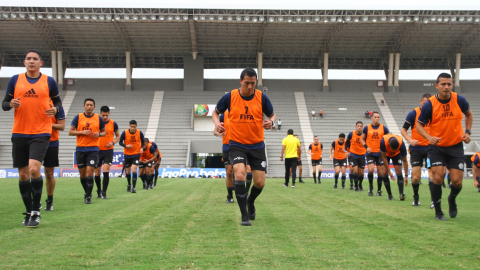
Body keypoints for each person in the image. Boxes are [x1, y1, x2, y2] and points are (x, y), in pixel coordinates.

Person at [2, 49, 62, 227]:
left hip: (41, 132)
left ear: (41, 63)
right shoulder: (15, 79)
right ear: (24, 62)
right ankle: (28, 211)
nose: (31, 61)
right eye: (28, 58)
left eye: (35, 59)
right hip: (19, 132)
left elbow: (57, 102)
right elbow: (4, 104)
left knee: (35, 169)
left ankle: (36, 211)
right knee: (22, 174)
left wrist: (56, 110)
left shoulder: (48, 81)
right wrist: (10, 103)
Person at [213, 67, 275, 226]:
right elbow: (215, 112)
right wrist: (217, 124)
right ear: (240, 81)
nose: (249, 87)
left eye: (253, 84)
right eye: (247, 83)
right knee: (239, 174)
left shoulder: (261, 97)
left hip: (257, 145)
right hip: (237, 144)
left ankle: (250, 201)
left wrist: (271, 122)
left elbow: (272, 115)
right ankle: (244, 216)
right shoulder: (230, 97)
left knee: (260, 183)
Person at [417, 73, 472, 221]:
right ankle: (438, 212)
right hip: (436, 147)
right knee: (437, 178)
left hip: (455, 146)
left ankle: (452, 199)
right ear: (437, 86)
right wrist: (429, 138)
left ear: (452, 85)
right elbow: (419, 125)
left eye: (449, 84)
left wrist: (467, 132)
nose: (446, 87)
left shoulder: (459, 100)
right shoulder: (430, 104)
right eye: (443, 84)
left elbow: (469, 114)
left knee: (457, 181)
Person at [69, 98, 106, 204]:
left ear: (94, 107)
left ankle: (88, 196)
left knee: (90, 171)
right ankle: (87, 192)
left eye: (91, 105)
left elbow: (104, 132)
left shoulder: (98, 118)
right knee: (82, 174)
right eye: (87, 105)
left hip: (93, 149)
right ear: (84, 106)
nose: (89, 106)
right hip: (80, 149)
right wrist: (82, 132)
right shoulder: (78, 117)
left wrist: (98, 134)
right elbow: (70, 132)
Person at [401, 93, 432, 206]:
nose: (426, 106)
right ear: (420, 101)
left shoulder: (434, 113)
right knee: (416, 177)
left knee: (432, 174)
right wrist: (410, 140)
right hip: (416, 149)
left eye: (428, 103)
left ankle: (434, 201)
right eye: (424, 103)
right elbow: (403, 130)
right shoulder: (413, 113)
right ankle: (416, 198)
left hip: (430, 148)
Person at [361, 112, 390, 197]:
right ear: (371, 118)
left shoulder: (384, 128)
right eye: (375, 117)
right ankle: (370, 187)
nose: (377, 118)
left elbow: (388, 139)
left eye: (378, 117)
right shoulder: (367, 128)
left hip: (381, 153)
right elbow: (362, 140)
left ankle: (379, 190)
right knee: (370, 170)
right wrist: (366, 147)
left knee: (380, 172)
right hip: (370, 152)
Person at [43, 101, 65, 211]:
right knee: (33, 170)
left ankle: (49, 200)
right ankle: (36, 200)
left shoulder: (57, 106)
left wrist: (48, 125)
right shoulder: (35, 100)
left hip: (51, 142)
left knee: (49, 173)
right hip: (34, 139)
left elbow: (62, 126)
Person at [94, 106, 120, 199]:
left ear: (109, 113)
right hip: (97, 151)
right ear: (100, 113)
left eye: (106, 115)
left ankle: (104, 192)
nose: (105, 117)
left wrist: (113, 142)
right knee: (97, 173)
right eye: (103, 115)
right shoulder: (96, 122)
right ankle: (99, 190)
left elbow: (118, 136)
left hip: (108, 151)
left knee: (106, 171)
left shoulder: (113, 123)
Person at [380, 134, 408, 201]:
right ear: (389, 144)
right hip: (386, 154)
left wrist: (406, 176)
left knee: (399, 171)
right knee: (384, 172)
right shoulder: (383, 141)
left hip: (397, 155)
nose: (393, 150)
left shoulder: (401, 143)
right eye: (393, 149)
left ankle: (401, 194)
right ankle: (390, 195)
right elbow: (384, 159)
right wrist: (390, 172)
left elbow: (405, 161)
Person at [119, 120, 145, 193]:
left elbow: (143, 141)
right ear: (129, 126)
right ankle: (129, 184)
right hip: (127, 154)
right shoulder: (125, 132)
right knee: (128, 171)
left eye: (134, 127)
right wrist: (125, 146)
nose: (133, 128)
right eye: (131, 126)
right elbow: (120, 142)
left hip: (136, 154)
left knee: (134, 170)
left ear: (136, 126)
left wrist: (142, 148)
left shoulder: (139, 132)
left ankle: (134, 187)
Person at [215, 111, 235, 203]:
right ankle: (230, 196)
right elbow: (215, 130)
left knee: (239, 171)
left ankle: (242, 194)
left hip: (239, 146)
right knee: (229, 172)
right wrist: (218, 133)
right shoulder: (223, 116)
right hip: (227, 147)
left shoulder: (240, 113)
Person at [346, 121, 367, 191]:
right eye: (358, 126)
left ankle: (360, 184)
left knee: (361, 172)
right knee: (355, 171)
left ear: (362, 127)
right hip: (353, 155)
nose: (359, 127)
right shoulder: (351, 134)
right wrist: (347, 151)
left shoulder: (364, 135)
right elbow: (347, 142)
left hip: (362, 155)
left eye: (361, 126)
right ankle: (355, 186)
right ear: (356, 127)